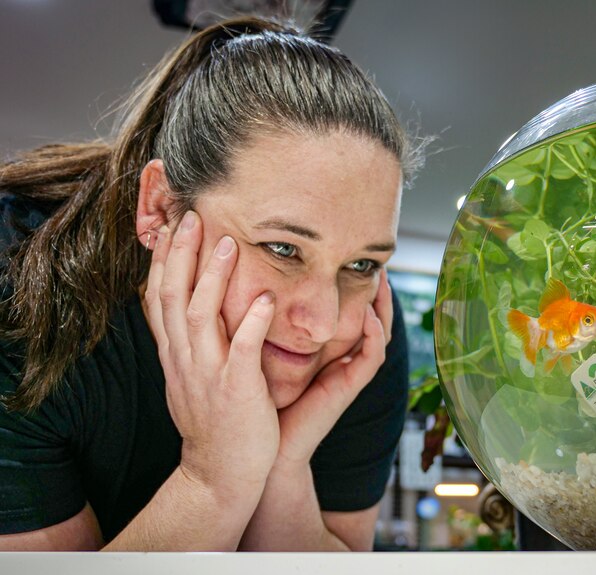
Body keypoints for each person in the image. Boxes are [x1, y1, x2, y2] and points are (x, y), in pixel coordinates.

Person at [0, 16, 422, 551]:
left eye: (361, 265)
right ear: (158, 208)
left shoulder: (361, 335)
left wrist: (283, 470)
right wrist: (216, 478)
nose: (321, 323)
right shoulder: (17, 292)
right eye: (283, 248)